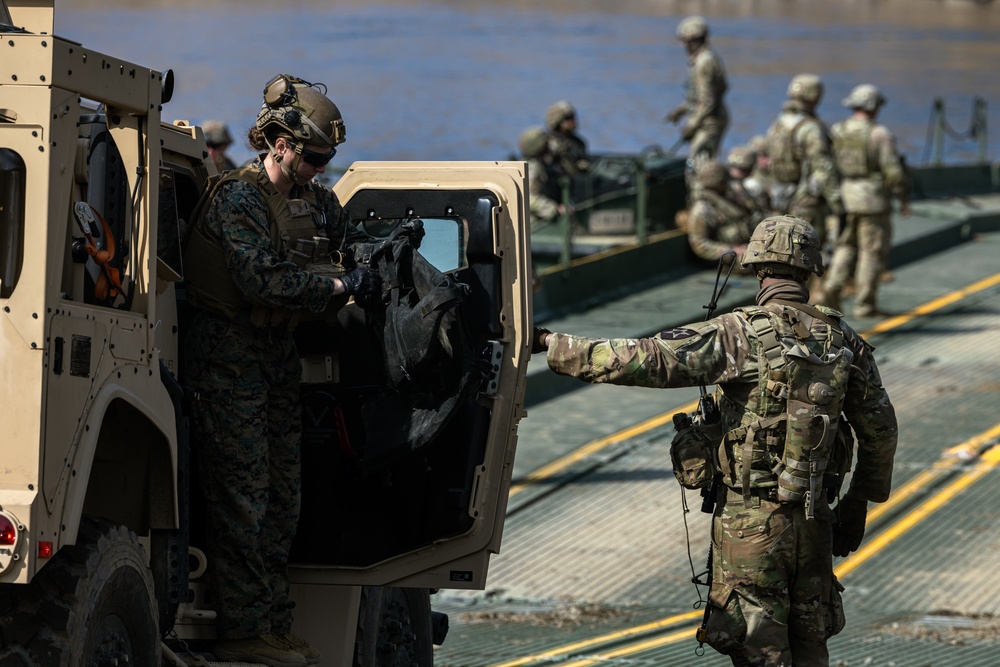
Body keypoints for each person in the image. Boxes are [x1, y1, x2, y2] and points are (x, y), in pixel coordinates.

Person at [534, 216, 898, 666]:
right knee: (810, 648)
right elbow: (881, 432)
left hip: (750, 525)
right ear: (809, 272)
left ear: (757, 268)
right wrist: (857, 503)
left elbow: (646, 359)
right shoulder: (846, 340)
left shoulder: (737, 333)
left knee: (760, 651)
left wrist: (553, 344)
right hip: (817, 520)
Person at [183, 74, 379, 667]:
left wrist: (382, 253)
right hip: (228, 359)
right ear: (281, 144)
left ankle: (273, 624)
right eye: (315, 156)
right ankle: (243, 629)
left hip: (277, 360)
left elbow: (351, 239)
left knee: (283, 500)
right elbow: (260, 280)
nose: (323, 167)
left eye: (329, 158)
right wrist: (343, 284)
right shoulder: (237, 199)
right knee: (243, 498)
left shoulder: (316, 201)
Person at [815, 84, 911, 319]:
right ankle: (865, 305)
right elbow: (893, 171)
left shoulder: (838, 130)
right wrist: (903, 196)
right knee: (871, 253)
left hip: (845, 197)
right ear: (873, 107)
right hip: (873, 200)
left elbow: (827, 164)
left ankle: (830, 295)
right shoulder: (880, 134)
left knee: (844, 248)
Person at [765, 74, 843, 230]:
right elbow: (822, 167)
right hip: (805, 202)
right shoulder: (810, 128)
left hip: (781, 197)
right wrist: (838, 204)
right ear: (815, 97)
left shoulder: (777, 125)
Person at [665, 15, 729, 168]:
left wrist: (692, 125)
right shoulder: (701, 59)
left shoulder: (704, 62)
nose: (683, 45)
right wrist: (681, 110)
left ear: (694, 40)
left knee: (699, 166)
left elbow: (707, 101)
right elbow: (698, 96)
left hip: (709, 122)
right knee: (695, 163)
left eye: (685, 41)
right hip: (704, 119)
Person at [686, 160, 755, 263]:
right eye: (724, 182)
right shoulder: (702, 208)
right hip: (729, 258)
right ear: (717, 183)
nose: (727, 184)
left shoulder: (727, 198)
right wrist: (732, 250)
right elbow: (699, 244)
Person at [520, 125, 568, 229]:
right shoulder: (532, 168)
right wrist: (553, 209)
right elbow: (527, 198)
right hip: (534, 225)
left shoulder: (540, 164)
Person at [726, 144, 772, 221]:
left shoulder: (752, 185)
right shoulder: (726, 185)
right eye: (733, 166)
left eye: (741, 169)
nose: (735, 171)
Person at [545, 100, 590, 176]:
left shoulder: (578, 143)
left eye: (573, 117)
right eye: (568, 118)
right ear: (557, 121)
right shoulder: (547, 142)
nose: (573, 121)